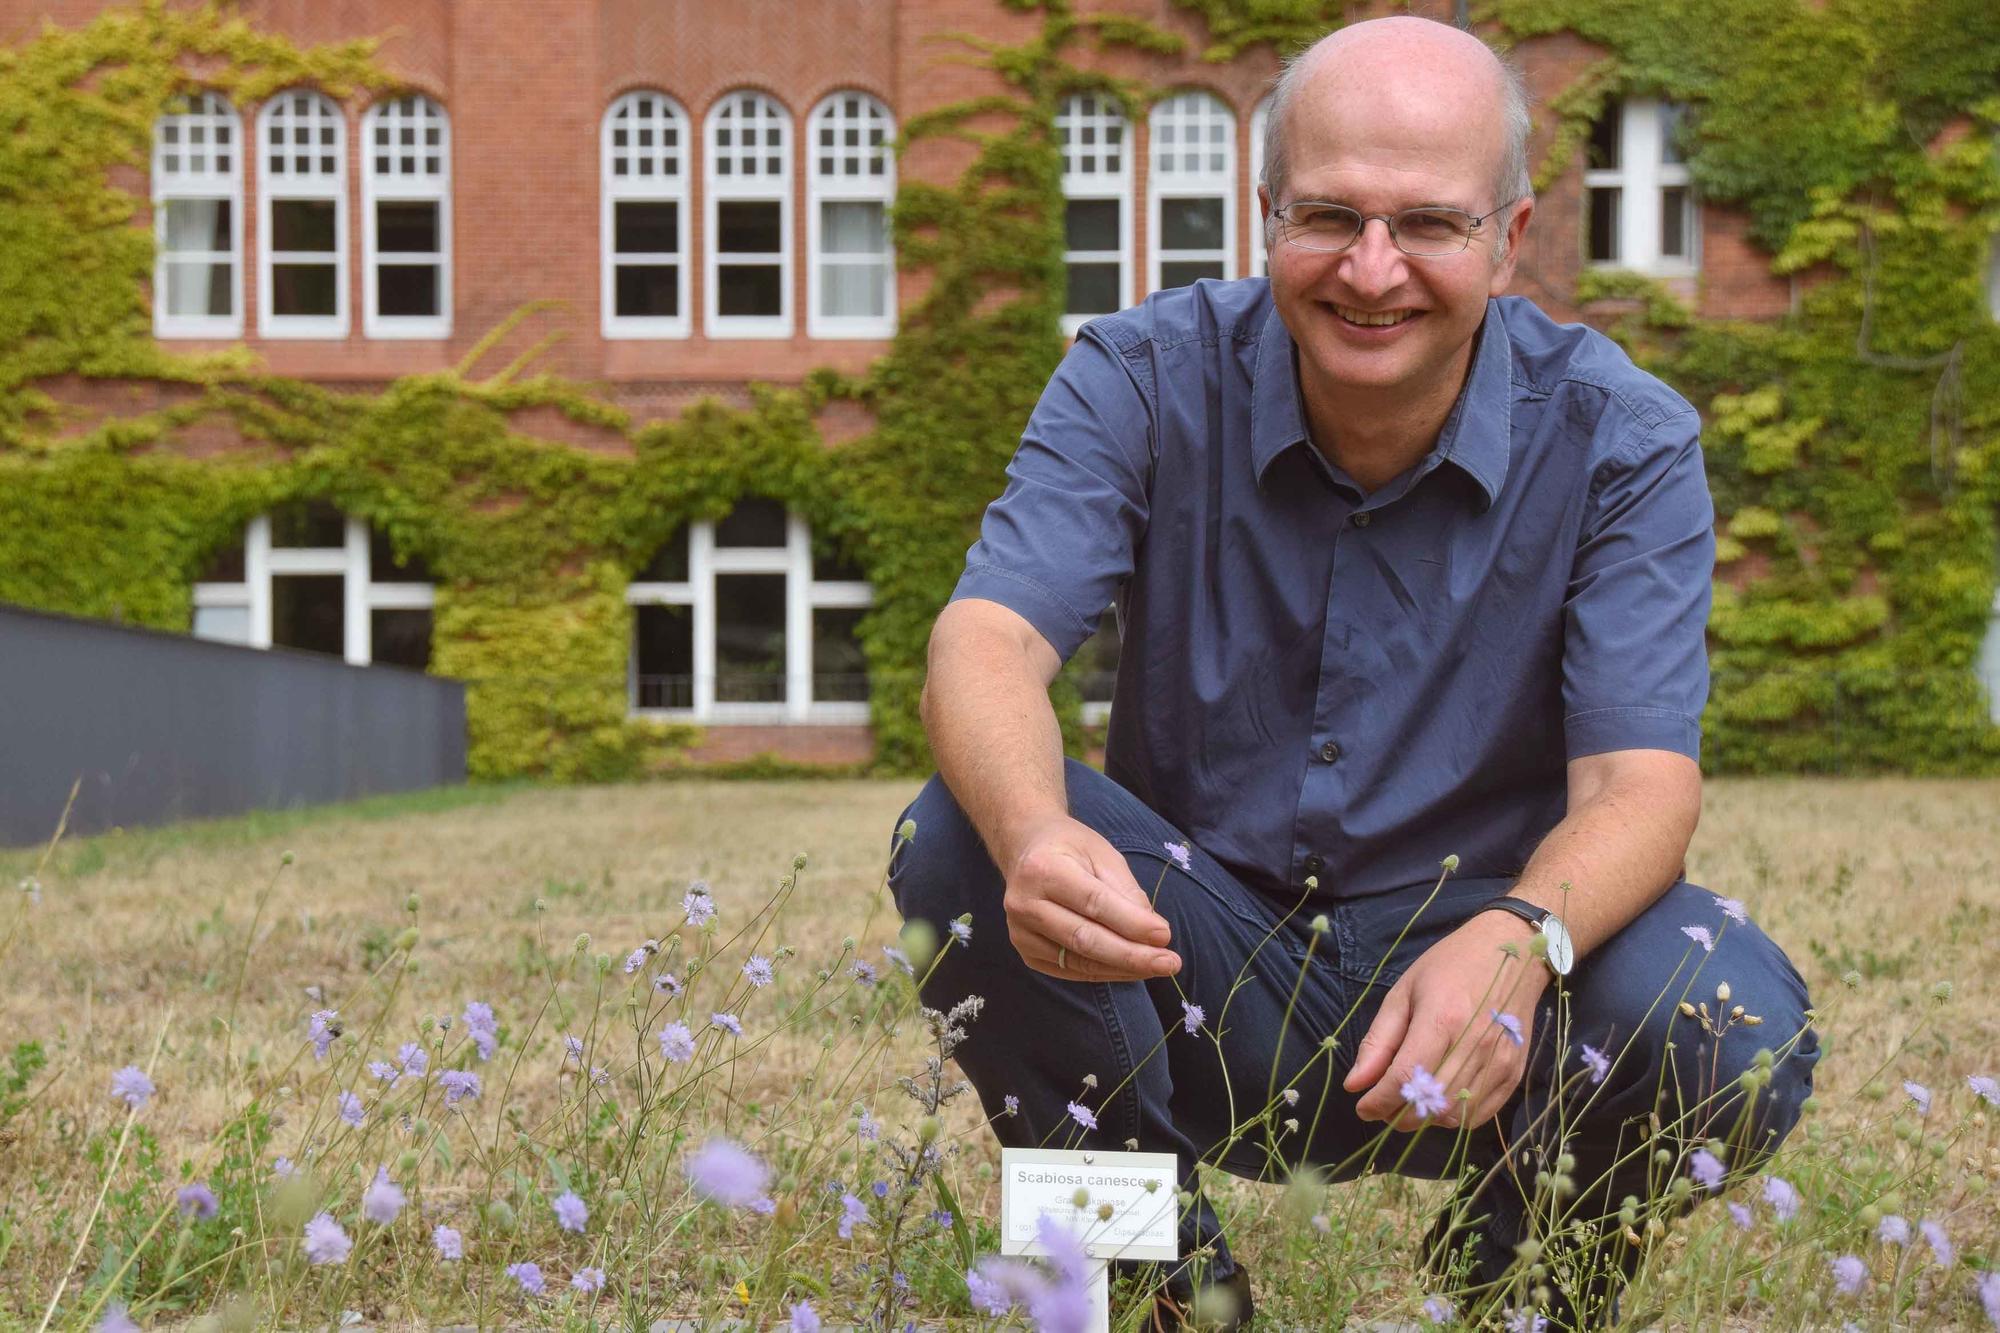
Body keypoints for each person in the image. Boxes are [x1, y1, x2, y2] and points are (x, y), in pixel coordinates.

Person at [889, 16, 1818, 1330]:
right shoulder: (1141, 376)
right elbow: (985, 639)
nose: (1372, 270)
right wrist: (1036, 833)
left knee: (1726, 1014)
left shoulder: (1626, 441)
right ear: (1264, 211)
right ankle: (1162, 1290)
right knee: (959, 839)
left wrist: (1523, 936)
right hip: (1191, 963)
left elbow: (1640, 785)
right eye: (1329, 214)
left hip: (1482, 999)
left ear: (1509, 236)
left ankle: (1502, 1287)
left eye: (1429, 224)